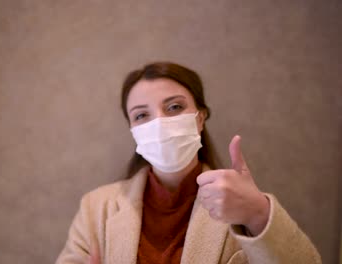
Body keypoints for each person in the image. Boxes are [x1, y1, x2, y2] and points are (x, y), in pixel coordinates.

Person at [56, 62, 321, 264]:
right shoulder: (96, 208)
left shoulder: (241, 205)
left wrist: (259, 214)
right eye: (141, 115)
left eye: (173, 108)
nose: (158, 123)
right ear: (132, 129)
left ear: (200, 117)